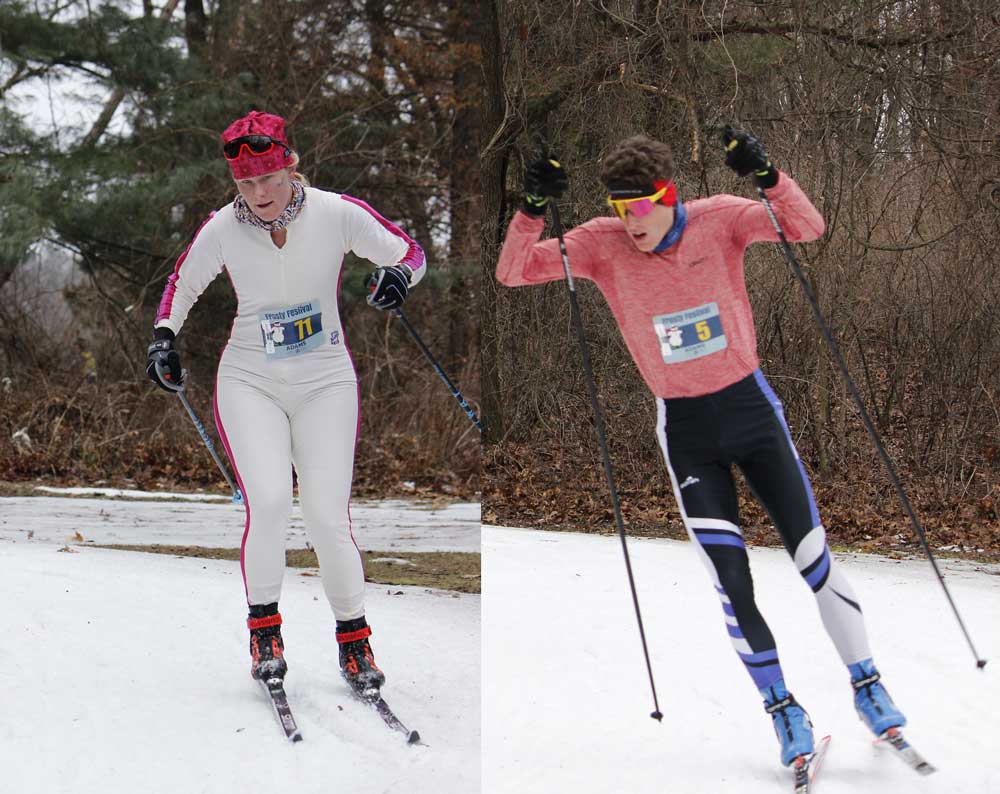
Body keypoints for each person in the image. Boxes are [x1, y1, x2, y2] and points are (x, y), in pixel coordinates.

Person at [495, 129, 907, 768]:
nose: (629, 221)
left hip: (752, 414)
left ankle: (868, 686)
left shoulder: (721, 219)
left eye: (639, 207)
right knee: (732, 582)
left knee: (814, 559)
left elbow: (807, 227)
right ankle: (783, 710)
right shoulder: (602, 244)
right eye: (618, 208)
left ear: (668, 196)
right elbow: (513, 271)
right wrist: (531, 209)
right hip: (687, 433)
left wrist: (767, 175)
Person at [145, 110, 426, 698]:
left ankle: (354, 639)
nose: (259, 194)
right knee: (270, 502)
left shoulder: (335, 212)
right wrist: (163, 338)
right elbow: (181, 284)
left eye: (269, 179)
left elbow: (410, 252)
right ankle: (265, 634)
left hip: (325, 381)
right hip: (250, 380)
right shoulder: (223, 227)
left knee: (326, 516)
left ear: (290, 167)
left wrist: (399, 277)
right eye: (246, 184)